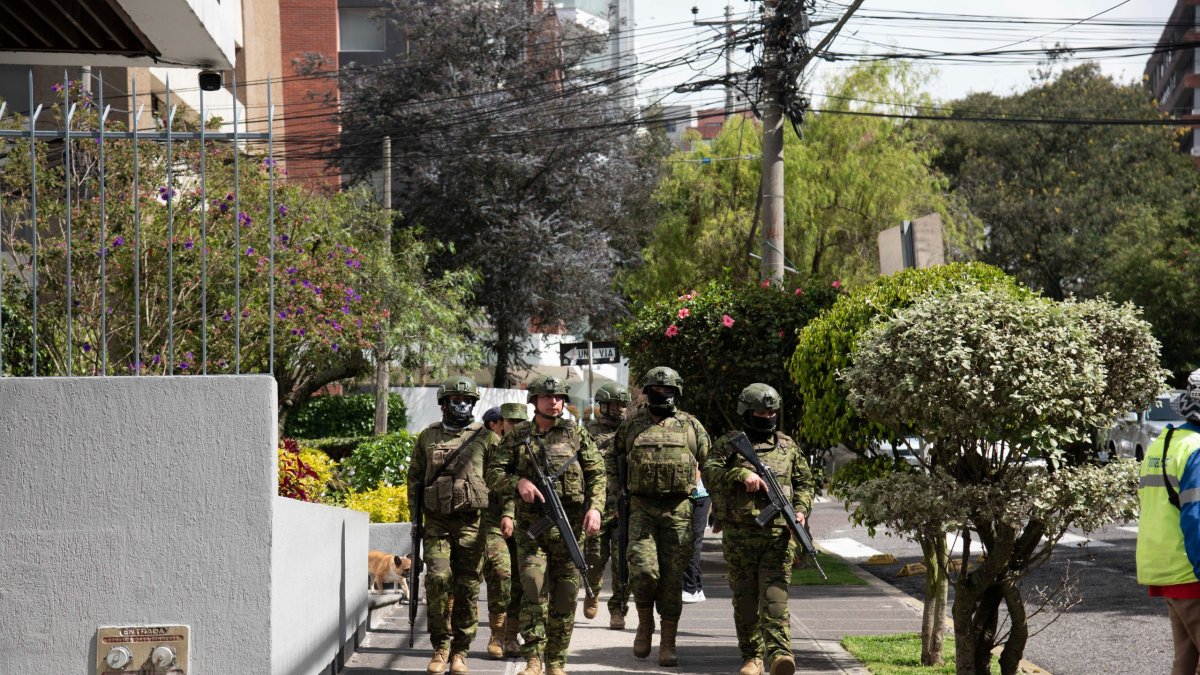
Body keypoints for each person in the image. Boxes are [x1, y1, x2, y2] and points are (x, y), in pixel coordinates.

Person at [485, 375, 605, 675]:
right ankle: (533, 658)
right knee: (534, 589)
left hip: (570, 529)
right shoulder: (518, 436)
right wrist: (518, 482)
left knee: (565, 595)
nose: (555, 401)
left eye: (560, 397)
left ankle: (555, 661)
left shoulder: (577, 435)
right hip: (532, 530)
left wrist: (595, 509)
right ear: (535, 401)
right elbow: (493, 472)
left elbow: (598, 475)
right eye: (548, 397)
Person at [703, 383, 813, 675]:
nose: (768, 416)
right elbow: (709, 472)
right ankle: (752, 657)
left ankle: (780, 654)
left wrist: (801, 510)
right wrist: (741, 474)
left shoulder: (788, 446)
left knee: (775, 595)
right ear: (747, 412)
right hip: (740, 535)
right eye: (761, 412)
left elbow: (805, 483)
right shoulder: (730, 443)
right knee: (746, 598)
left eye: (772, 411)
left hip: (779, 536)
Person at [613, 366, 709, 667]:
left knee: (671, 580)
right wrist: (613, 496)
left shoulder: (691, 426)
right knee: (642, 572)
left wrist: (715, 503)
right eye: (657, 390)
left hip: (678, 510)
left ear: (676, 393)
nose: (663, 394)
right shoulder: (632, 425)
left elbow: (711, 462)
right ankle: (644, 623)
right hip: (641, 509)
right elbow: (611, 461)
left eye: (668, 390)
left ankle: (668, 642)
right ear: (648, 392)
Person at [408, 376, 496, 675]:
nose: (463, 405)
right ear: (443, 404)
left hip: (473, 524)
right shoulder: (427, 437)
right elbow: (415, 480)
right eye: (456, 400)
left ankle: (461, 652)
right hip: (437, 522)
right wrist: (415, 519)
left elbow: (500, 480)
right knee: (437, 580)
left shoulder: (486, 438)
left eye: (468, 400)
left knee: (468, 586)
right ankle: (440, 648)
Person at [1137, 370, 1200, 675]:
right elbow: (1196, 518)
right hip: (1191, 571)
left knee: (1185, 659)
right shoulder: (1197, 449)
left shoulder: (1166, 441)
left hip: (1165, 568)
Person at [479, 404, 529, 659]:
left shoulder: (531, 449)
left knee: (521, 579)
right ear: (498, 425)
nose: (516, 427)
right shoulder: (487, 448)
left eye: (522, 422)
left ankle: (511, 636)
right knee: (500, 572)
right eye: (511, 422)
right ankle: (497, 635)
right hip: (493, 521)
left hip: (527, 523)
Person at [584, 382, 632, 628]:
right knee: (594, 556)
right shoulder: (589, 432)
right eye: (614, 404)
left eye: (623, 404)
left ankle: (618, 608)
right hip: (598, 506)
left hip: (625, 506)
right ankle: (592, 591)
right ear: (603, 405)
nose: (619, 409)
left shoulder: (633, 431)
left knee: (623, 562)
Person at [681, 476, 711, 604]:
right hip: (695, 496)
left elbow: (697, 470)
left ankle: (690, 588)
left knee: (690, 543)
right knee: (692, 542)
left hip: (696, 496)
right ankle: (697, 588)